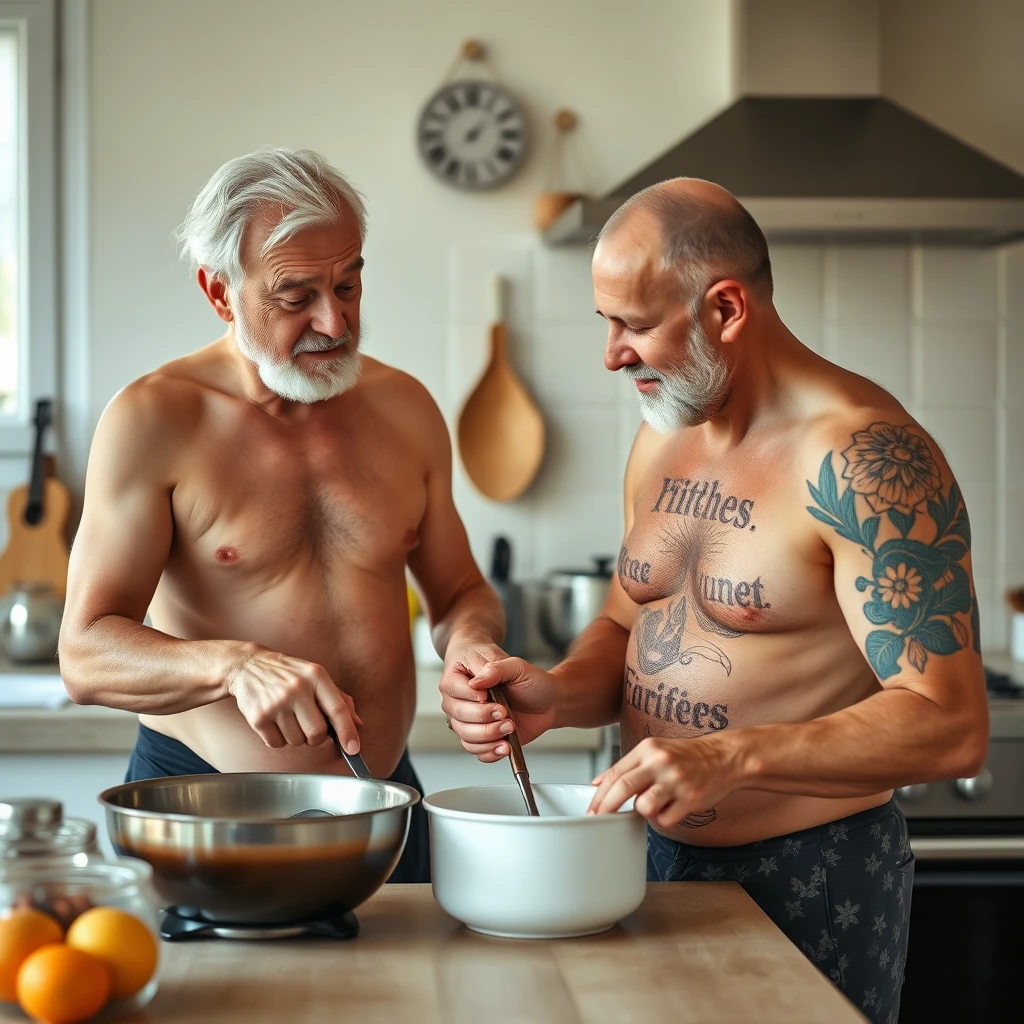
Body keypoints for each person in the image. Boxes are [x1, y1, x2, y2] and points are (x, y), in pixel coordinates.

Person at [442, 178, 989, 1022]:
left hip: (812, 873)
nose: (612, 354)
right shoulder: (661, 437)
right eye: (606, 323)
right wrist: (554, 693)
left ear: (725, 308)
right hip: (643, 861)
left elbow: (951, 723)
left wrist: (731, 756)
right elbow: (631, 622)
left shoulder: (865, 458)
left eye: (634, 324)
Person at [58, 147, 508, 883]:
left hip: (385, 799)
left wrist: (474, 647)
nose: (334, 320)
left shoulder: (408, 409)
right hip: (207, 804)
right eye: (295, 297)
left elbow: (459, 593)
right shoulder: (153, 421)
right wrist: (233, 666)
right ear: (220, 292)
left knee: (411, 1000)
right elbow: (84, 654)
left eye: (349, 283)